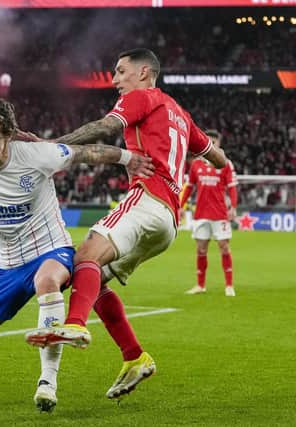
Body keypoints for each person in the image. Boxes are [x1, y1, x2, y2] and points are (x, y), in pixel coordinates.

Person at [0, 97, 154, 411]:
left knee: (47, 280)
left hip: (51, 250)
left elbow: (88, 153)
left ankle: (48, 382)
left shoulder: (36, 155)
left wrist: (128, 158)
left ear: (8, 135)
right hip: (5, 266)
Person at [24, 49, 228, 400]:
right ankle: (135, 357)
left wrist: (47, 148)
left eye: (120, 72)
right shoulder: (180, 113)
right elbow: (220, 159)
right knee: (93, 277)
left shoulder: (141, 97)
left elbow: (103, 128)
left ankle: (74, 324)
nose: (115, 80)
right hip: (168, 222)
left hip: (147, 199)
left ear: (144, 72)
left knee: (85, 255)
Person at [179, 130, 238, 296]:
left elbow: (232, 187)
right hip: (201, 213)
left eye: (214, 142)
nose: (211, 145)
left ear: (219, 144)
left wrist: (233, 206)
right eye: (209, 142)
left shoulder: (225, 163)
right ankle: (200, 285)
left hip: (220, 213)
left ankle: (229, 285)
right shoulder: (196, 164)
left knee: (224, 247)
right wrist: (181, 206)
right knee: (201, 249)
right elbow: (189, 187)